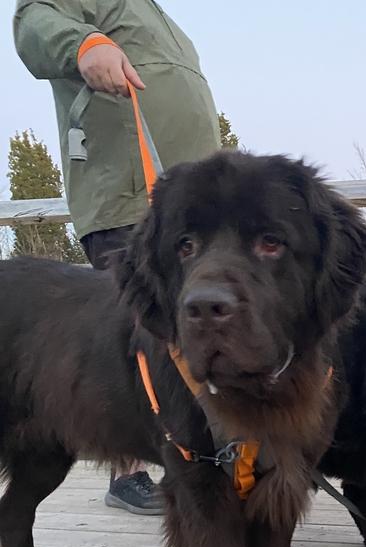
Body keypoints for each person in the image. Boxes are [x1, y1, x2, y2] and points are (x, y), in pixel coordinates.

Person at [13, 0, 221, 513]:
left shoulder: (156, 16)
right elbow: (33, 21)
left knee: (192, 337)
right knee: (132, 337)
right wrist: (84, 44)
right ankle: (127, 472)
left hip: (188, 214)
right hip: (129, 198)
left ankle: (206, 453)